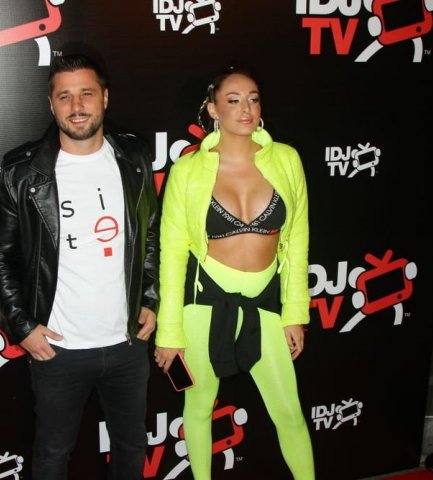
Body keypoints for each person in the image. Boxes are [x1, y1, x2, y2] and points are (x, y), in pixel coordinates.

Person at [0, 53, 159, 480]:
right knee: (51, 455)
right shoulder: (23, 171)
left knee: (131, 447)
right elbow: (0, 256)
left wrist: (150, 297)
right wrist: (22, 326)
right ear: (51, 104)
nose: (77, 106)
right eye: (65, 96)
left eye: (87, 93)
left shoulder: (134, 155)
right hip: (58, 348)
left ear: (105, 97)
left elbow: (151, 233)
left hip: (127, 344)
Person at [153, 65, 315, 480]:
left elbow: (297, 240)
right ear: (212, 109)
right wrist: (169, 332)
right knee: (198, 408)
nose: (246, 109)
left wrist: (295, 311)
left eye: (253, 99)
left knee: (290, 413)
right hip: (204, 304)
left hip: (266, 303)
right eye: (233, 100)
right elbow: (173, 254)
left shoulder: (287, 159)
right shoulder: (188, 171)